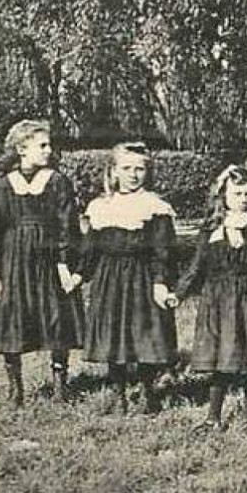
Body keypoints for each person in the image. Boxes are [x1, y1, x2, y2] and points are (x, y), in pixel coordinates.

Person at [0, 119, 86, 406]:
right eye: (42, 145)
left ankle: (61, 385)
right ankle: (16, 388)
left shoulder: (57, 182)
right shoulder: (2, 186)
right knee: (12, 318)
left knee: (56, 317)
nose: (48, 150)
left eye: (49, 144)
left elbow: (68, 225)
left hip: (48, 260)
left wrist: (64, 263)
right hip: (13, 263)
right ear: (21, 149)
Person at [170, 165, 247, 430]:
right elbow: (197, 266)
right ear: (223, 195)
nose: (244, 199)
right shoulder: (211, 228)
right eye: (237, 193)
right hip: (217, 300)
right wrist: (179, 292)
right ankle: (213, 417)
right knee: (219, 359)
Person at [79, 142, 178, 414]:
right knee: (114, 334)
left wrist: (160, 280)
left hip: (142, 277)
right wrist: (79, 274)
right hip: (109, 278)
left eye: (140, 169)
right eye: (127, 168)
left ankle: (149, 391)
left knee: (143, 333)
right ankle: (118, 391)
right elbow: (89, 248)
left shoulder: (155, 206)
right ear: (113, 171)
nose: (133, 174)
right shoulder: (101, 207)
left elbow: (163, 250)